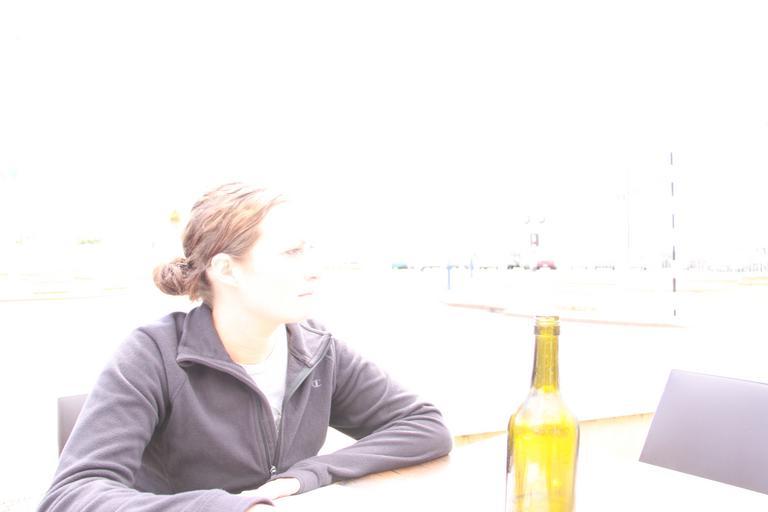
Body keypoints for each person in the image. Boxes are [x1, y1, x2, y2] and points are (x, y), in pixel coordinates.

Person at [38, 182, 452, 511]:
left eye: (309, 250)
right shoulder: (155, 355)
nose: (314, 269)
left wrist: (305, 476)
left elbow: (424, 427)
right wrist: (236, 506)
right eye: (291, 252)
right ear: (226, 270)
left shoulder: (316, 350)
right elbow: (72, 495)